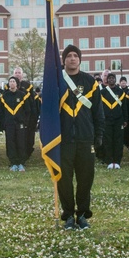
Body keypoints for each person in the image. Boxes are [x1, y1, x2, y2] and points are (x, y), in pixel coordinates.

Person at [56, 44, 104, 230]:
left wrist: (99, 134)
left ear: (80, 59)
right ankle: (68, 215)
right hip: (63, 140)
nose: (72, 58)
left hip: (85, 138)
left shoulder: (90, 82)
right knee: (64, 179)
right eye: (69, 55)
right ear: (64, 60)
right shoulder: (57, 81)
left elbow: (98, 110)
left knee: (85, 179)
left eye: (76, 55)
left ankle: (82, 214)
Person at [1, 76, 32, 171]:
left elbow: (28, 110)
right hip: (9, 124)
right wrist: (3, 124)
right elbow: (1, 112)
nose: (12, 83)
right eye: (10, 81)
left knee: (21, 143)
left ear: (17, 84)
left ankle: (21, 163)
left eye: (13, 81)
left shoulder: (22, 95)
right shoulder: (4, 96)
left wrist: (25, 122)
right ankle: (13, 163)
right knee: (10, 143)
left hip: (20, 124)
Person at [99, 72, 127, 169]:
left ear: (115, 80)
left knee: (118, 141)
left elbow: (125, 107)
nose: (111, 80)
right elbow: (100, 108)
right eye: (109, 78)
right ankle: (109, 161)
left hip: (118, 120)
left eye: (113, 78)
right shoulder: (102, 92)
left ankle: (117, 161)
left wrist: (125, 119)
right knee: (107, 140)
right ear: (107, 80)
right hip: (106, 120)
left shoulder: (121, 92)